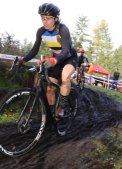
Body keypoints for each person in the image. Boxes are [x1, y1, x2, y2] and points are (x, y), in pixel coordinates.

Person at [18, 3, 77, 135]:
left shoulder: (63, 29)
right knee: (50, 87)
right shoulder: (41, 31)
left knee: (65, 76)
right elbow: (34, 50)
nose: (45, 21)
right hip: (56, 58)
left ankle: (61, 107)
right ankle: (51, 115)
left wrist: (54, 60)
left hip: (68, 58)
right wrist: (23, 60)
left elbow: (66, 50)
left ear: (55, 18)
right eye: (42, 18)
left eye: (48, 18)